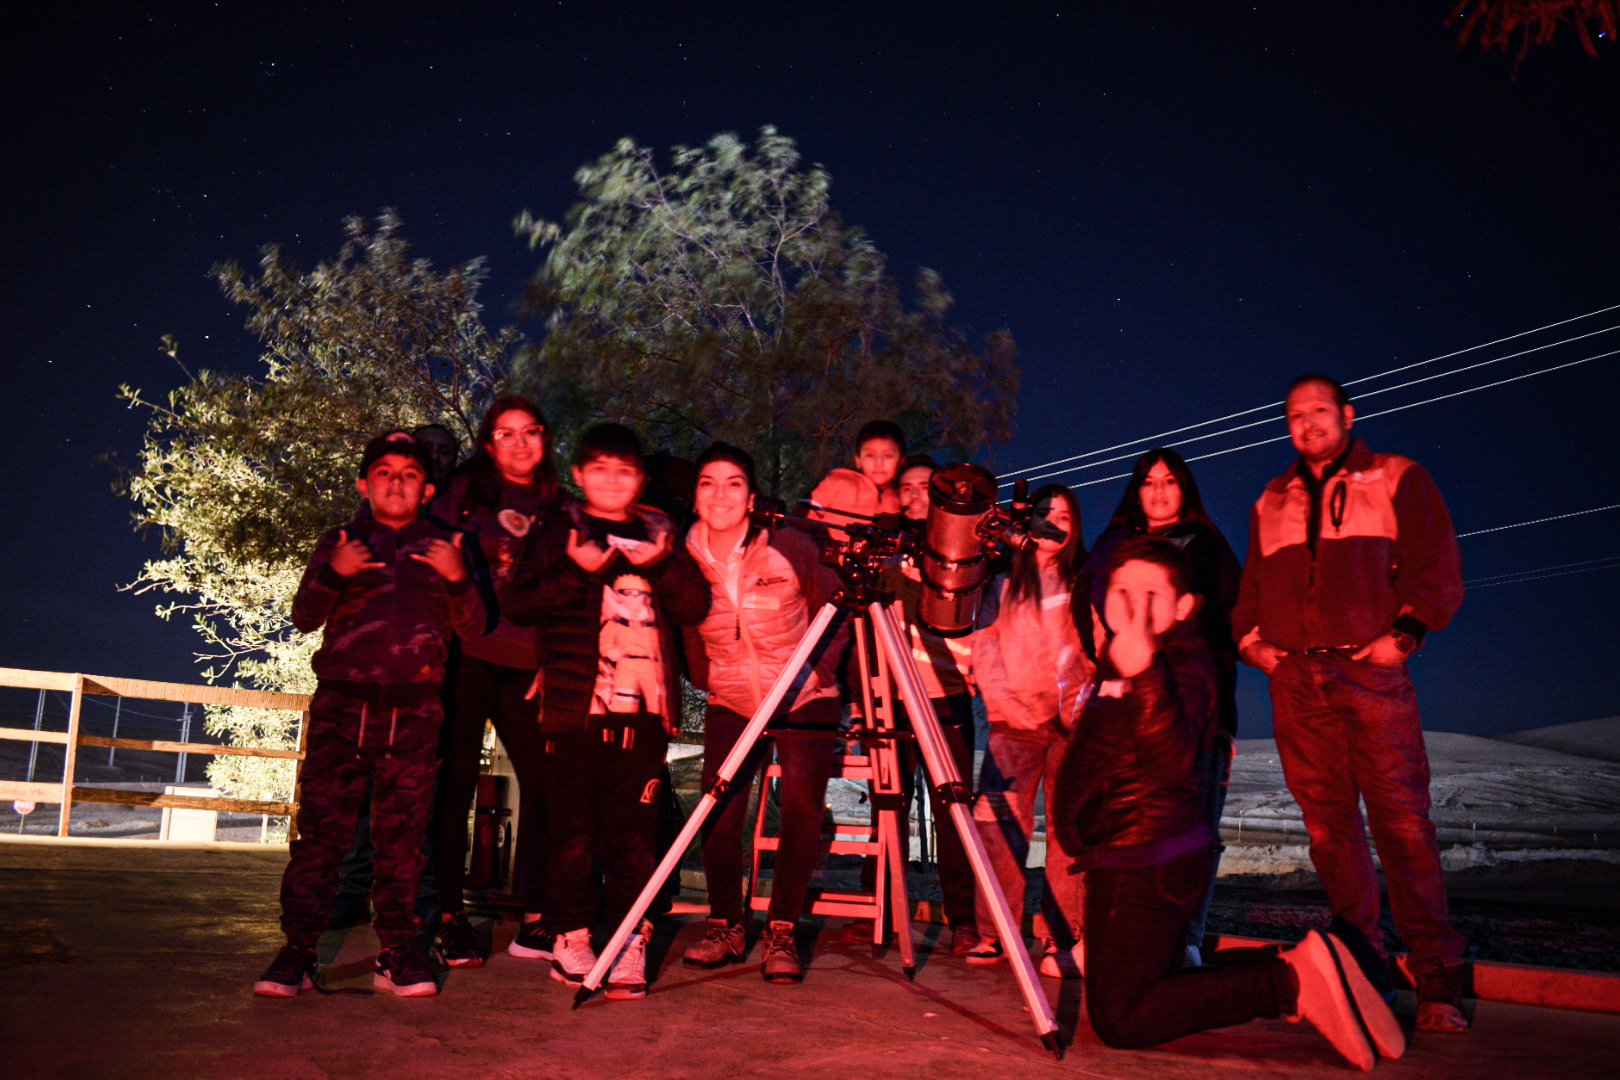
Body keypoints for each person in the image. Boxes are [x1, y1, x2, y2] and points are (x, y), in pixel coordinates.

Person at [1051, 537, 1404, 1069]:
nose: (1134, 605)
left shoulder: (1180, 662)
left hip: (1145, 860)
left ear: (1184, 606)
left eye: (1151, 594)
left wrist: (1143, 671)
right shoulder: (1123, 663)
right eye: (1123, 591)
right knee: (1159, 984)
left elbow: (1171, 762)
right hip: (1133, 856)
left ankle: (1289, 982)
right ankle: (1316, 969)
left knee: (1121, 1019)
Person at [1233, 373, 1470, 1033]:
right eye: (1294, 415)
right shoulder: (1270, 500)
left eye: (1319, 410)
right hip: (1295, 680)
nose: (1307, 423)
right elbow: (1250, 589)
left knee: (1403, 822)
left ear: (1347, 414)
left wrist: (1406, 633)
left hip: (1370, 673)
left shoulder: (1395, 477)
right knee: (1329, 828)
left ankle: (1437, 975)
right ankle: (1363, 965)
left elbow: (1436, 566)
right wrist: (1252, 644)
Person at [254, 431, 485, 999]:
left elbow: (476, 626)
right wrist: (335, 571)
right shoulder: (340, 540)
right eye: (384, 472)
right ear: (364, 484)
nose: (396, 483)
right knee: (322, 833)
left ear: (427, 488)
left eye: (410, 474)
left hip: (415, 710)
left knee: (403, 838)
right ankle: (299, 950)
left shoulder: (451, 543)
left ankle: (397, 951)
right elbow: (304, 616)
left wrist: (458, 575)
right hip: (343, 705)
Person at [503, 423, 710, 1000]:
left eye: (624, 471)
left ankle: (630, 939)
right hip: (575, 710)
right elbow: (517, 602)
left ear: (640, 478)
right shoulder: (558, 527)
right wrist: (577, 570)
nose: (612, 481)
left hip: (645, 713)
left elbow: (695, 604)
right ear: (579, 474)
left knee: (634, 836)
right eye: (600, 470)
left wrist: (661, 564)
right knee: (571, 834)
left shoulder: (662, 530)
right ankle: (571, 937)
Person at [679, 442, 846, 983]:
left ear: (751, 498)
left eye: (733, 484)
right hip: (732, 698)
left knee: (801, 808)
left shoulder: (789, 544)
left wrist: (819, 671)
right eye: (709, 483)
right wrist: (704, 679)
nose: (720, 495)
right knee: (718, 809)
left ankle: (782, 930)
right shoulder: (685, 557)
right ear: (696, 496)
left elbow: (838, 605)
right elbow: (684, 622)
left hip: (803, 694)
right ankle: (726, 925)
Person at [1082, 447, 1242, 966]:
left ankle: (1185, 937)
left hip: (1197, 709)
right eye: (1149, 481)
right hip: (1125, 704)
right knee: (1120, 821)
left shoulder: (1209, 549)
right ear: (1135, 490)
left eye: (1169, 481)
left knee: (1194, 826)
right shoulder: (1112, 547)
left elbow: (1229, 624)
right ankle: (1106, 932)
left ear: (1185, 489)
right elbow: (1089, 618)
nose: (1158, 491)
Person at [427, 396, 560, 967]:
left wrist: (557, 658)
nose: (520, 443)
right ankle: (448, 916)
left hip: (529, 662)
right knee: (453, 783)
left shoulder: (558, 503)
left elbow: (568, 589)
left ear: (545, 439)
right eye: (506, 434)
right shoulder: (464, 492)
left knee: (545, 781)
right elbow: (430, 558)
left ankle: (537, 916)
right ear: (488, 443)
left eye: (531, 431)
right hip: (466, 654)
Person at [964, 483, 1092, 977]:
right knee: (1000, 829)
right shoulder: (1001, 584)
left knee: (1067, 833)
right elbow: (984, 649)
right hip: (1012, 725)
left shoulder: (1084, 584)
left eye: (1064, 516)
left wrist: (1079, 707)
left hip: (1070, 728)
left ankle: (1062, 934)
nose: (1053, 523)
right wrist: (1005, 706)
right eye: (1044, 513)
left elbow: (1095, 651)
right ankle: (996, 931)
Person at [867, 454, 980, 954]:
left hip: (945, 696)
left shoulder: (963, 552)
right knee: (887, 807)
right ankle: (880, 910)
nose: (915, 497)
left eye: (924, 489)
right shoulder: (886, 553)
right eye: (907, 489)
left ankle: (964, 920)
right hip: (893, 698)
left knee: (953, 814)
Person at [804, 419, 905, 536]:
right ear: (858, 460)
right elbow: (804, 515)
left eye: (888, 456)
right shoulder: (838, 481)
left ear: (901, 461)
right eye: (870, 455)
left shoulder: (900, 499)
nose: (879, 463)